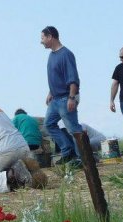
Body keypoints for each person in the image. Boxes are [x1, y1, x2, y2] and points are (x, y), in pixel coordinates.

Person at [40, 26, 83, 167]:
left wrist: (71, 98)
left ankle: (82, 159)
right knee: (49, 124)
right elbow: (56, 76)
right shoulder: (51, 55)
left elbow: (73, 79)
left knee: (74, 129)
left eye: (43, 38)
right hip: (55, 98)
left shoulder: (66, 54)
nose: (41, 42)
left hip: (66, 97)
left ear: (50, 36)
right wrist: (50, 92)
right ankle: (67, 151)